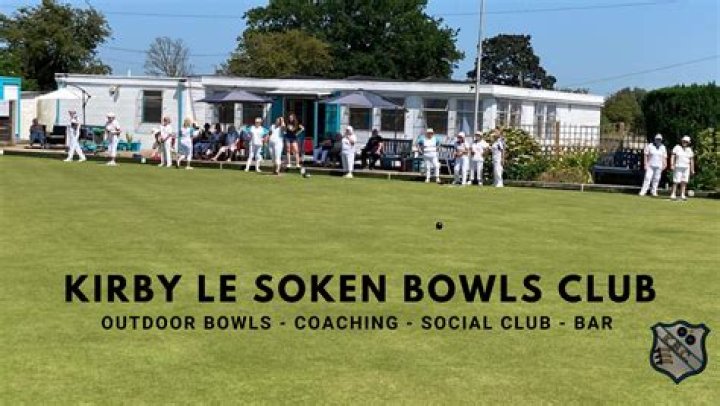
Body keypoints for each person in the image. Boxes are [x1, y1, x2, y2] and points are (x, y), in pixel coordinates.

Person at [670, 135, 694, 201]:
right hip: (678, 166)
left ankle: (682, 195)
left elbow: (691, 160)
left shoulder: (689, 149)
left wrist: (692, 169)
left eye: (686, 142)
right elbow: (672, 156)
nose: (685, 142)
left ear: (688, 143)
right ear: (682, 141)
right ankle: (673, 194)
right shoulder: (677, 147)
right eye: (684, 141)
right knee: (676, 181)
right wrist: (672, 164)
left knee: (684, 181)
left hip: (686, 167)